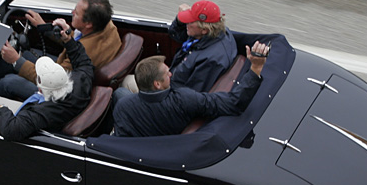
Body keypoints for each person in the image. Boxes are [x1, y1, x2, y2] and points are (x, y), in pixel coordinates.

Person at [0, 0, 121, 102]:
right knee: (28, 54)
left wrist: (16, 61)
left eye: (76, 13)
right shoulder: (106, 25)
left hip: (60, 91)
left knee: (10, 81)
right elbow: (77, 39)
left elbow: (53, 82)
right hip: (67, 73)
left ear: (88, 23)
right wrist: (44, 27)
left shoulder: (87, 51)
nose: (72, 13)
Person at [112, 40, 269, 138]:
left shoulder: (124, 107)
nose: (171, 74)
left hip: (142, 138)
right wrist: (256, 67)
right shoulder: (184, 99)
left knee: (119, 93)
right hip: (166, 133)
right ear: (157, 84)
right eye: (167, 74)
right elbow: (234, 103)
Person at [0, 32, 95, 141]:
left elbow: (11, 130)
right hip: (50, 111)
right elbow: (84, 62)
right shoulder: (81, 81)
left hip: (21, 118)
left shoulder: (43, 113)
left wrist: (1, 109)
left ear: (40, 88)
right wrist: (68, 40)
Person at [167, 0, 236, 92]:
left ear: (204, 29)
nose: (186, 23)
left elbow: (191, 96)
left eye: (190, 21)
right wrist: (179, 22)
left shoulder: (210, 60)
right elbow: (176, 35)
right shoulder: (210, 34)